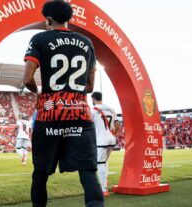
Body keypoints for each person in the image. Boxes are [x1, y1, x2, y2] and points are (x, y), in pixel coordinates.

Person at [23, 1, 104, 206]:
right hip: (80, 114)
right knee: (88, 173)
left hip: (49, 114)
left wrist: (40, 93)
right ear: (68, 19)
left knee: (40, 174)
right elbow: (90, 86)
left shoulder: (39, 38)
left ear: (48, 19)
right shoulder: (86, 42)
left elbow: (27, 80)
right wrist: (72, 90)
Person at [91, 92, 119, 197]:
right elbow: (117, 125)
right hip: (111, 139)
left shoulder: (92, 110)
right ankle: (105, 182)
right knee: (104, 161)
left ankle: (104, 189)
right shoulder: (111, 109)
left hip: (101, 140)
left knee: (100, 163)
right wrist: (112, 134)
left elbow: (90, 126)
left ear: (93, 99)